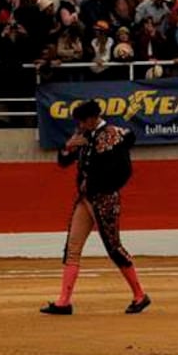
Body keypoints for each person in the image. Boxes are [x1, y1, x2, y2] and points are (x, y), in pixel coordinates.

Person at [41, 99, 150, 316]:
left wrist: (101, 187)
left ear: (92, 119)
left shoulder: (112, 135)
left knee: (113, 247)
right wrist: (68, 148)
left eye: (82, 121)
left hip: (105, 198)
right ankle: (64, 301)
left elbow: (124, 171)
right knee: (72, 247)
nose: (79, 126)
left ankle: (140, 295)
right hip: (85, 198)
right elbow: (64, 162)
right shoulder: (84, 135)